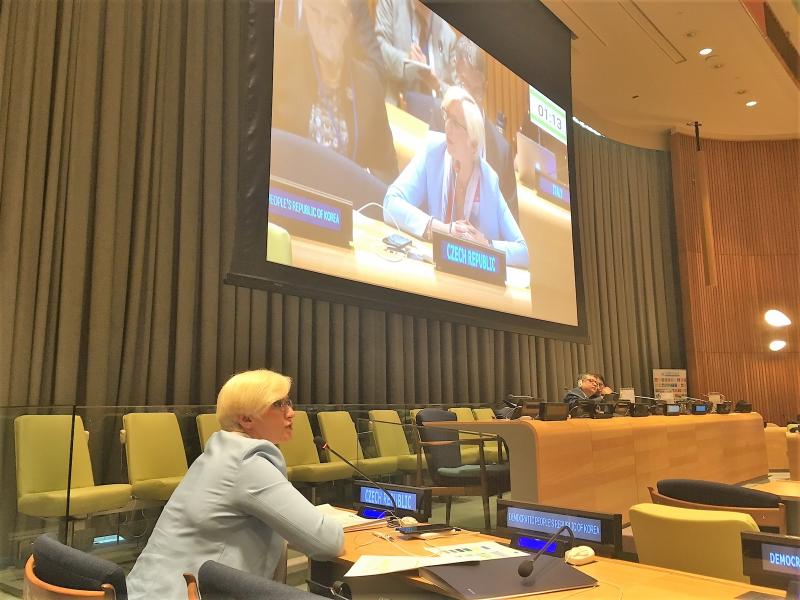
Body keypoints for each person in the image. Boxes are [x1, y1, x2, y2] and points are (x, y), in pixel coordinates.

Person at [126, 370, 344, 600]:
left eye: (288, 402)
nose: (291, 413)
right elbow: (328, 543)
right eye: (278, 404)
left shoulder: (221, 453)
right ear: (247, 419)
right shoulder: (247, 463)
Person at [382, 86, 529, 268]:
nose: (447, 127)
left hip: (474, 274)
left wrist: (486, 245)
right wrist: (442, 230)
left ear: (473, 145)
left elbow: (523, 251)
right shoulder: (433, 153)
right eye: (447, 117)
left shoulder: (490, 181)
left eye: (456, 123)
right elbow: (390, 203)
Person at [271, 0, 398, 184]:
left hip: (346, 197)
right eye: (316, 14)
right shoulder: (284, 58)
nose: (324, 28)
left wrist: (360, 179)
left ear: (348, 23)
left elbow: (388, 172)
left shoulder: (367, 84)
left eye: (333, 21)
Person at [449, 36, 519, 221]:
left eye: (477, 91)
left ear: (485, 87)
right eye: (464, 85)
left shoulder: (502, 151)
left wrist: (486, 238)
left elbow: (513, 225)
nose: (470, 98)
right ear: (456, 76)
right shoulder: (440, 122)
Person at [375, 0, 456, 106]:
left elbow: (455, 94)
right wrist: (407, 61)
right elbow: (377, 50)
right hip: (392, 106)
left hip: (432, 112)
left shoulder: (449, 37)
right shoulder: (390, 3)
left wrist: (437, 85)